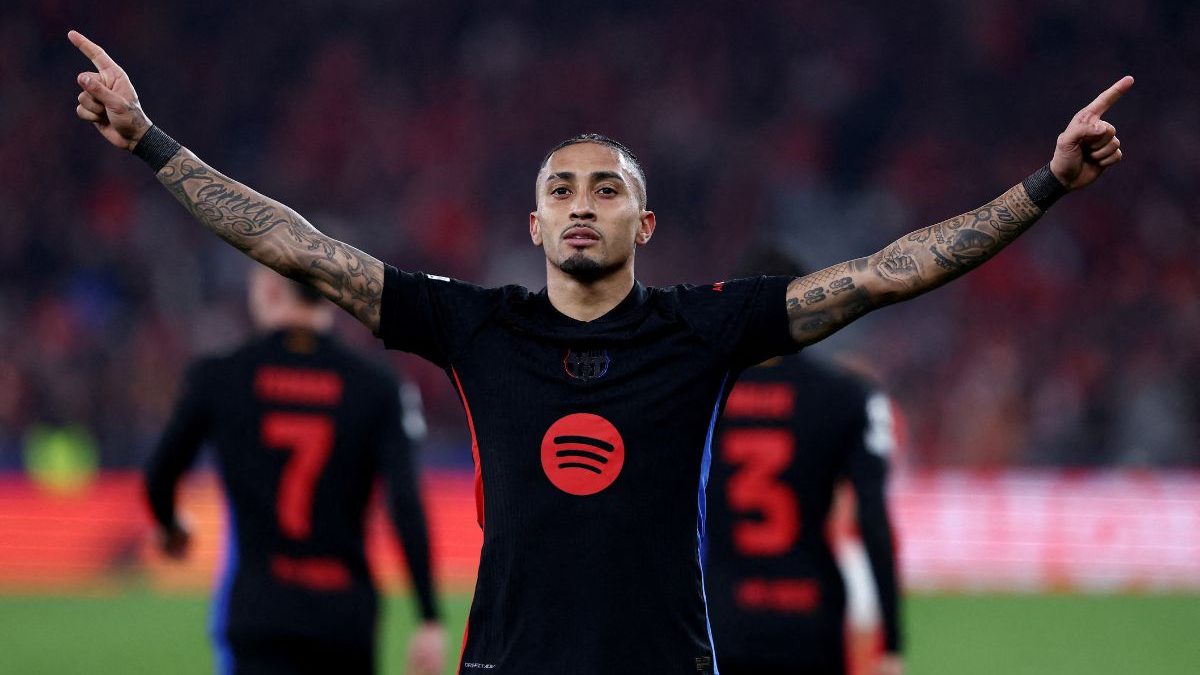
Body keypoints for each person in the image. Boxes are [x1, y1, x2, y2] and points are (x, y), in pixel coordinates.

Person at [71, 28, 1130, 674]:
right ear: (533, 227)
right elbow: (297, 243)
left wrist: (1044, 186)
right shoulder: (474, 325)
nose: (582, 204)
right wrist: (150, 140)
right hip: (508, 663)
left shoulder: (703, 329)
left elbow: (893, 270)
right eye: (561, 189)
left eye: (607, 187)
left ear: (645, 224)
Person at [144, 266, 446, 675]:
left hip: (260, 610)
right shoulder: (377, 386)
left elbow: (160, 473)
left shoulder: (220, 376)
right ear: (333, 292)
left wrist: (172, 526)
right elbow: (405, 501)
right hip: (343, 615)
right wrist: (428, 616)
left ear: (268, 288)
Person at [704, 247, 904, 675]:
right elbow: (873, 518)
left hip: (720, 624)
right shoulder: (847, 396)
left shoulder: (699, 396)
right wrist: (891, 643)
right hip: (809, 623)